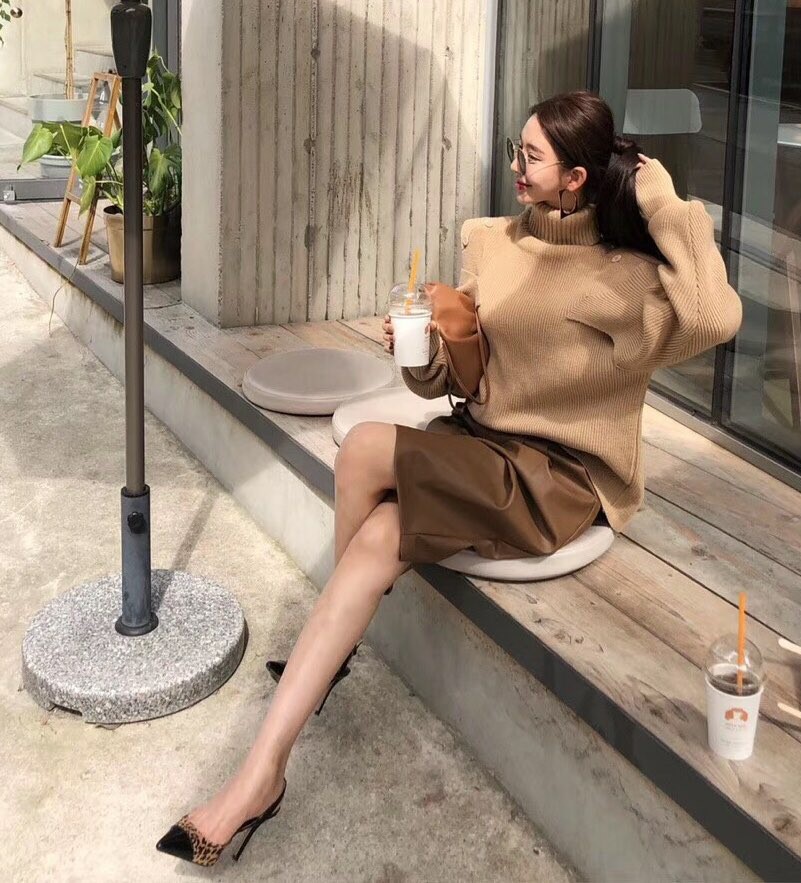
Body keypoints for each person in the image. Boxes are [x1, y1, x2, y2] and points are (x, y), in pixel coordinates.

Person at [156, 90, 742, 865]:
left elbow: (714, 316)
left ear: (576, 177)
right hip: (480, 442)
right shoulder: (493, 241)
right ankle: (263, 770)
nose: (514, 166)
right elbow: (460, 384)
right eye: (515, 148)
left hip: (559, 477)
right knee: (375, 522)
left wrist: (657, 193)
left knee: (366, 462)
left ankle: (318, 664)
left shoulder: (626, 279)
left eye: (531, 156)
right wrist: (430, 347)